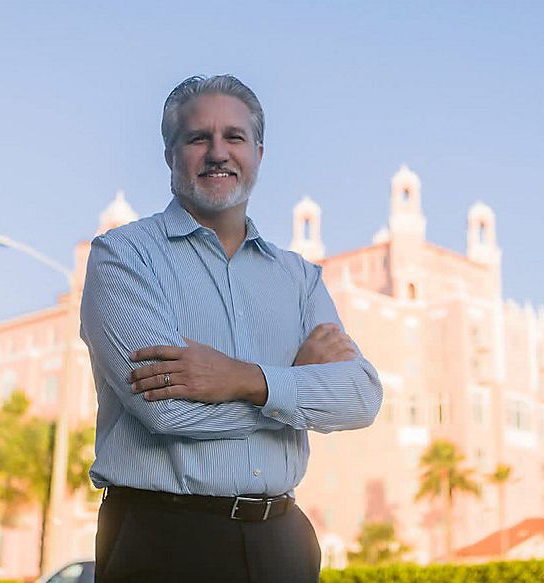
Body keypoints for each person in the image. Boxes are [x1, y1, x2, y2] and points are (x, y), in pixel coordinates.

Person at [79, 74, 383, 582]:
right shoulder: (125, 257)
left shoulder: (299, 278)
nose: (218, 152)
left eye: (234, 138)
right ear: (170, 155)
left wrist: (248, 380)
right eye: (198, 137)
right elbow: (168, 414)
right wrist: (295, 386)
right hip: (164, 542)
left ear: (258, 153)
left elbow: (361, 397)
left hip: (283, 542)